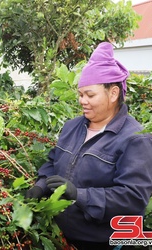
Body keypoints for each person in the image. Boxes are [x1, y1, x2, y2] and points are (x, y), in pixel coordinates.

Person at [26, 42, 152, 250]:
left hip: (104, 243)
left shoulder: (135, 138)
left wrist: (79, 194)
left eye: (90, 95)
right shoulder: (72, 127)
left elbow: (132, 198)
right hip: (63, 237)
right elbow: (53, 160)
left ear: (113, 94)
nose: (83, 101)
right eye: (80, 94)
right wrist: (41, 184)